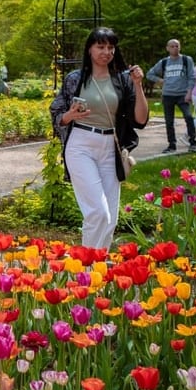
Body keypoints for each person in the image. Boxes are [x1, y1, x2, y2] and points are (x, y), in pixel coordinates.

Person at [50, 27, 149, 249]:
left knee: (110, 217)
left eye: (111, 47)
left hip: (110, 147)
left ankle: (98, 263)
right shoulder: (75, 79)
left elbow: (140, 119)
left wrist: (138, 85)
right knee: (98, 211)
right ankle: (86, 261)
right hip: (81, 144)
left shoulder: (122, 80)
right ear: (89, 49)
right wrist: (69, 116)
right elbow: (57, 112)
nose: (106, 52)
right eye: (101, 47)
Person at [146, 39, 196, 153]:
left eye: (177, 46)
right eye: (172, 46)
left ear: (180, 47)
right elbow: (149, 74)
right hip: (168, 94)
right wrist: (160, 80)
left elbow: (192, 77)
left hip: (182, 94)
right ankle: (172, 145)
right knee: (169, 121)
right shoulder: (164, 62)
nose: (175, 48)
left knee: (188, 117)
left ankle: (193, 142)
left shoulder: (186, 60)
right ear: (167, 48)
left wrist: (189, 92)